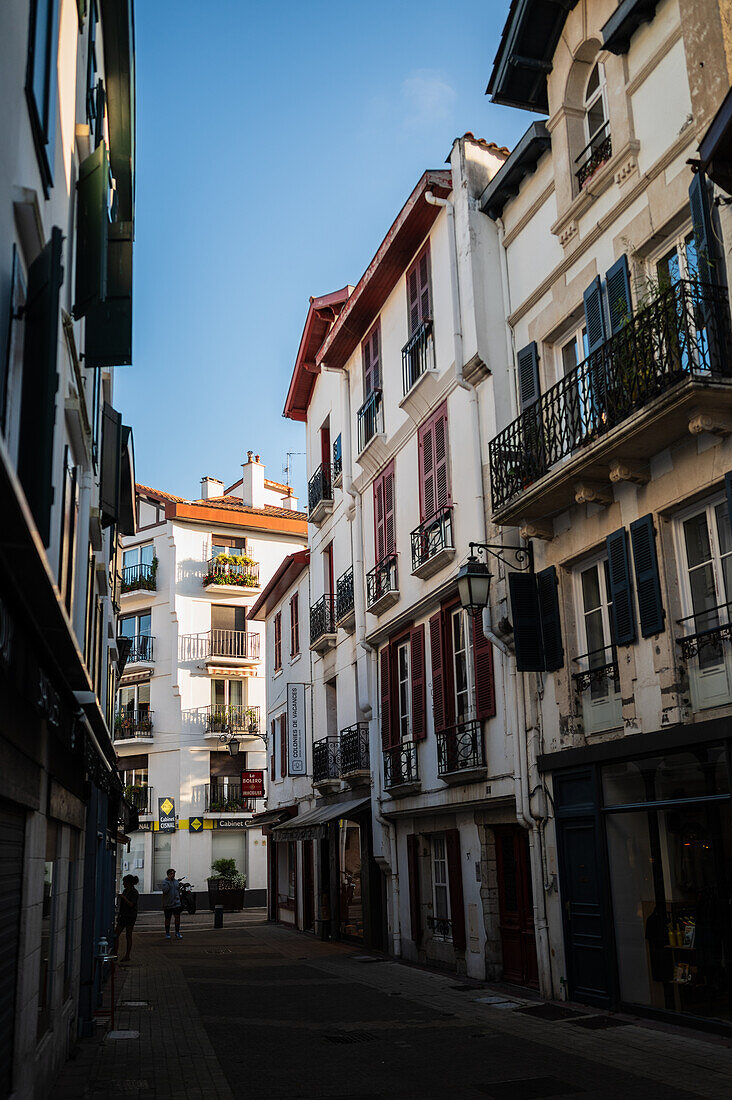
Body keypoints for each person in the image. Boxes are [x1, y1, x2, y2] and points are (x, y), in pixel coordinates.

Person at [115, 874, 139, 962]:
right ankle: (115, 953)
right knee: (116, 935)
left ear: (128, 883)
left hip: (130, 916)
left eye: (124, 882)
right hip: (124, 915)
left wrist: (124, 898)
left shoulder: (134, 892)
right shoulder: (125, 891)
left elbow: (131, 904)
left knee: (128, 935)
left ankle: (127, 955)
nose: (123, 884)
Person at [162, 868, 183, 939]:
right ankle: (167, 933)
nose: (173, 875)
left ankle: (177, 932)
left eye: (173, 873)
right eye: (171, 873)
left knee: (177, 917)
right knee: (168, 919)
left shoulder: (176, 882)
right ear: (168, 874)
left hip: (176, 903)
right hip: (168, 904)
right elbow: (165, 891)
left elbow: (178, 890)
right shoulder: (165, 882)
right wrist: (169, 882)